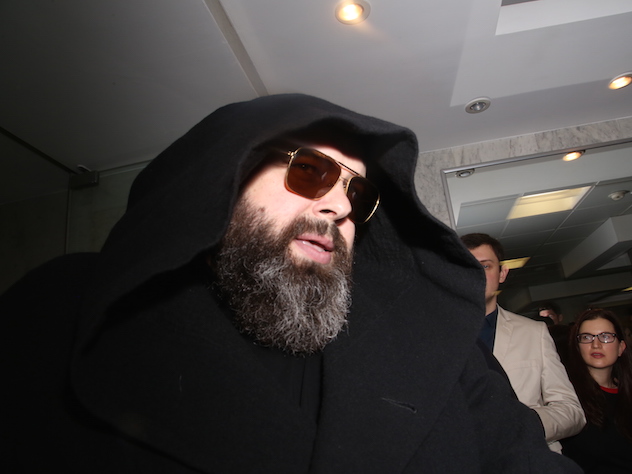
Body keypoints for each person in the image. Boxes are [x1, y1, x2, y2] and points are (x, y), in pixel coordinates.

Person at [1, 94, 582, 473]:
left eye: (358, 193)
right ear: (227, 175)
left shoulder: (430, 344)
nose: (340, 206)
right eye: (310, 169)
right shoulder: (70, 308)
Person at [460, 233, 585, 453]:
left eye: (486, 266)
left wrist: (526, 423)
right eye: (467, 266)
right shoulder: (435, 337)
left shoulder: (534, 333)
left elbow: (572, 411)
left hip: (530, 456)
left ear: (502, 273)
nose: (477, 273)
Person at [561, 308, 632, 472]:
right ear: (577, 347)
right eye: (586, 338)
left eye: (606, 337)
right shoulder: (567, 397)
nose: (596, 344)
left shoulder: (627, 393)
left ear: (621, 347)